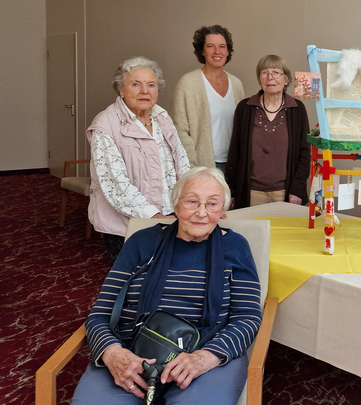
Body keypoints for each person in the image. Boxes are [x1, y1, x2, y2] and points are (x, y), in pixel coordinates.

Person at [71, 167, 262, 405]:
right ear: (176, 204)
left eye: (212, 204)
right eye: (192, 201)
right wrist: (113, 354)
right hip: (132, 352)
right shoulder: (142, 242)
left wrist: (206, 357)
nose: (201, 213)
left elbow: (248, 317)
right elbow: (101, 313)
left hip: (204, 355)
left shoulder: (235, 247)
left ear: (222, 209)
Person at [87, 56, 190, 263]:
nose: (145, 91)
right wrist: (154, 216)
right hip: (127, 223)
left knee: (167, 276)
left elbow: (181, 162)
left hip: (170, 214)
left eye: (151, 85)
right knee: (133, 282)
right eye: (136, 84)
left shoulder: (162, 117)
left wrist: (192, 201)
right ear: (121, 89)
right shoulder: (106, 125)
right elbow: (115, 183)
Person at [225, 54, 310, 208]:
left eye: (276, 72)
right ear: (260, 79)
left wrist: (297, 188)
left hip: (285, 192)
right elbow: (234, 152)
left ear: (286, 79)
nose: (270, 77)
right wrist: (231, 190)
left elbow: (304, 154)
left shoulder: (297, 109)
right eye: (264, 73)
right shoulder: (245, 108)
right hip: (250, 192)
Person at [172, 25, 245, 171]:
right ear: (202, 51)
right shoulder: (188, 83)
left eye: (222, 46)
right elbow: (179, 130)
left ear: (228, 51)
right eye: (210, 46)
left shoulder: (236, 84)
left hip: (234, 166)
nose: (217, 51)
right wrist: (193, 165)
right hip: (202, 166)